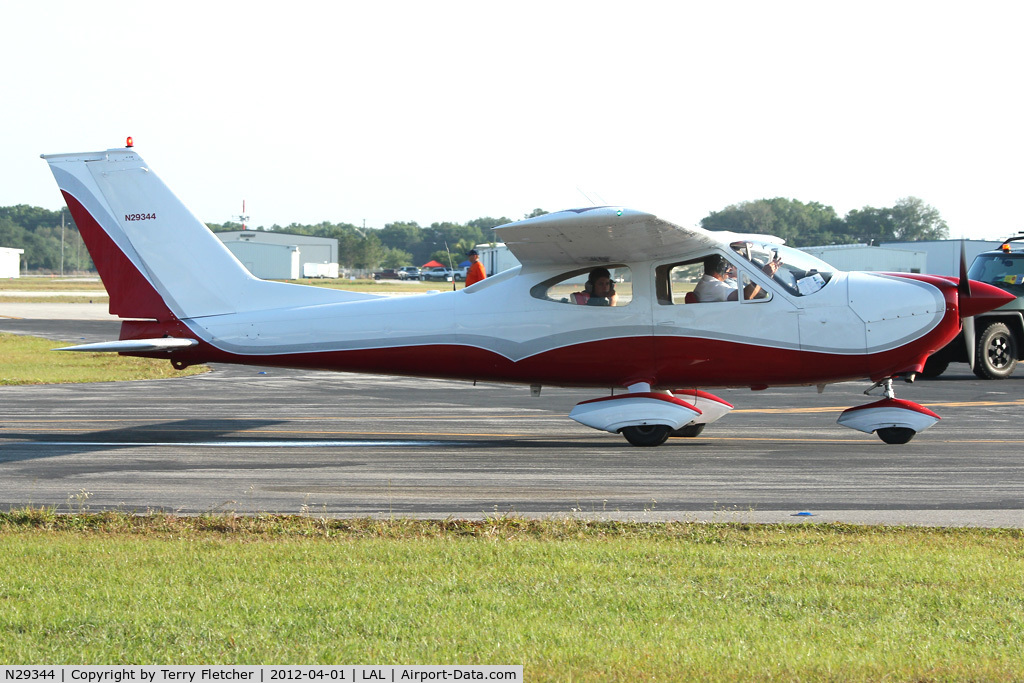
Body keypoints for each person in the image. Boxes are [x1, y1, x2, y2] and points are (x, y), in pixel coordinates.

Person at [693, 254, 780, 302]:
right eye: (729, 266)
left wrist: (767, 276)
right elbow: (744, 296)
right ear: (722, 267)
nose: (730, 269)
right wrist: (762, 275)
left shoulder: (708, 283)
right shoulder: (712, 286)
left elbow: (753, 295)